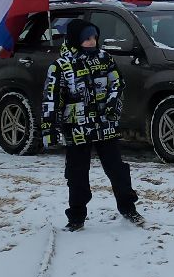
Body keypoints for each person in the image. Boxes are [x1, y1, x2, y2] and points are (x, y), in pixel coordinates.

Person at [43, 19, 141, 231]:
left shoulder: (105, 59)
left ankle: (128, 207)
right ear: (76, 39)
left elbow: (117, 82)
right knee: (77, 174)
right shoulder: (61, 66)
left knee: (117, 170)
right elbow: (52, 98)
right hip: (76, 128)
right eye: (87, 38)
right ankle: (76, 216)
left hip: (105, 125)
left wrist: (113, 104)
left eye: (94, 37)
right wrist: (49, 129)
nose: (91, 41)